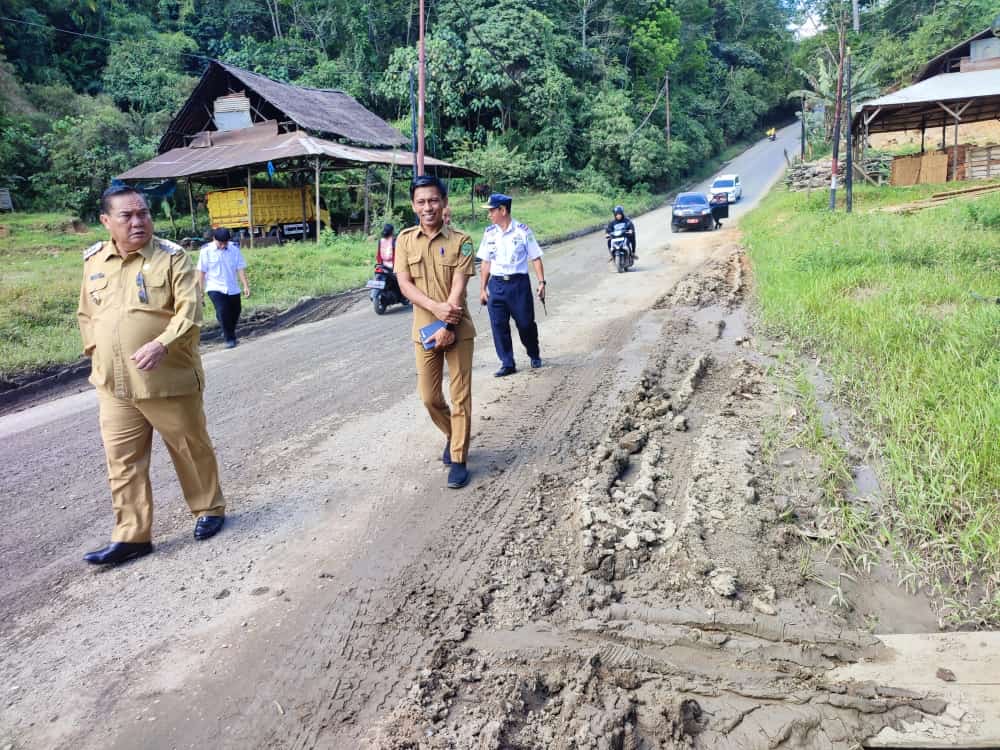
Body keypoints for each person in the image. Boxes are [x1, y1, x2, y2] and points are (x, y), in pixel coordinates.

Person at [77, 185, 226, 566]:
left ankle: (208, 509)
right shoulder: (94, 262)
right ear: (106, 221)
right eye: (126, 216)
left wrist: (161, 344)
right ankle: (132, 535)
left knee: (189, 447)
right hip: (114, 384)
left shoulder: (172, 258)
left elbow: (190, 311)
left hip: (166, 378)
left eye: (142, 213)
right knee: (122, 461)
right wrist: (96, 352)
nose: (137, 221)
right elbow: (86, 315)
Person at [395, 175, 476, 489]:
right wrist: (435, 310)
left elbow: (458, 287)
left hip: (458, 328)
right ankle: (452, 433)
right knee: (429, 398)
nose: (427, 207)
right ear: (414, 206)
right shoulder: (404, 240)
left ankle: (458, 457)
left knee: (460, 396)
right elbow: (404, 284)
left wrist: (447, 322)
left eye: (433, 200)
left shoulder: (462, 240)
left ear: (444, 203)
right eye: (421, 201)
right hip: (424, 331)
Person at [477, 193, 546, 377]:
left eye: (492, 210)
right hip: (497, 285)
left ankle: (533, 352)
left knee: (525, 324)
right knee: (498, 325)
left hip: (518, 285)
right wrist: (483, 288)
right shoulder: (489, 233)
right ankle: (507, 362)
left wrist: (541, 282)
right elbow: (485, 262)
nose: (489, 214)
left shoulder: (523, 231)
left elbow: (536, 257)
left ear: (503, 210)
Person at [198, 227, 249, 349]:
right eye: (220, 243)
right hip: (214, 287)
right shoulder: (206, 251)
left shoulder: (234, 249)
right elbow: (201, 273)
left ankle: (225, 327)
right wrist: (200, 292)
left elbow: (240, 268)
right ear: (214, 239)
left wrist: (245, 285)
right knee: (223, 311)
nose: (222, 246)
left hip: (232, 287)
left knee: (236, 311)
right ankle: (230, 339)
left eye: (225, 243)